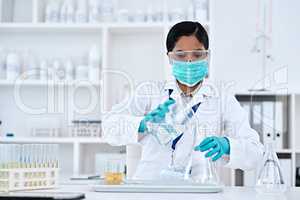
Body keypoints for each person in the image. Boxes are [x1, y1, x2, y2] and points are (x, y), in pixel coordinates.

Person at [104, 21, 264, 180]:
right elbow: (108, 127)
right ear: (170, 58)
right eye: (181, 55)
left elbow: (255, 152)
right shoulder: (149, 92)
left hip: (199, 187)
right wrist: (142, 124)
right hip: (150, 187)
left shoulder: (222, 98)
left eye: (197, 54)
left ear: (207, 55)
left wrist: (228, 146)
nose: (189, 61)